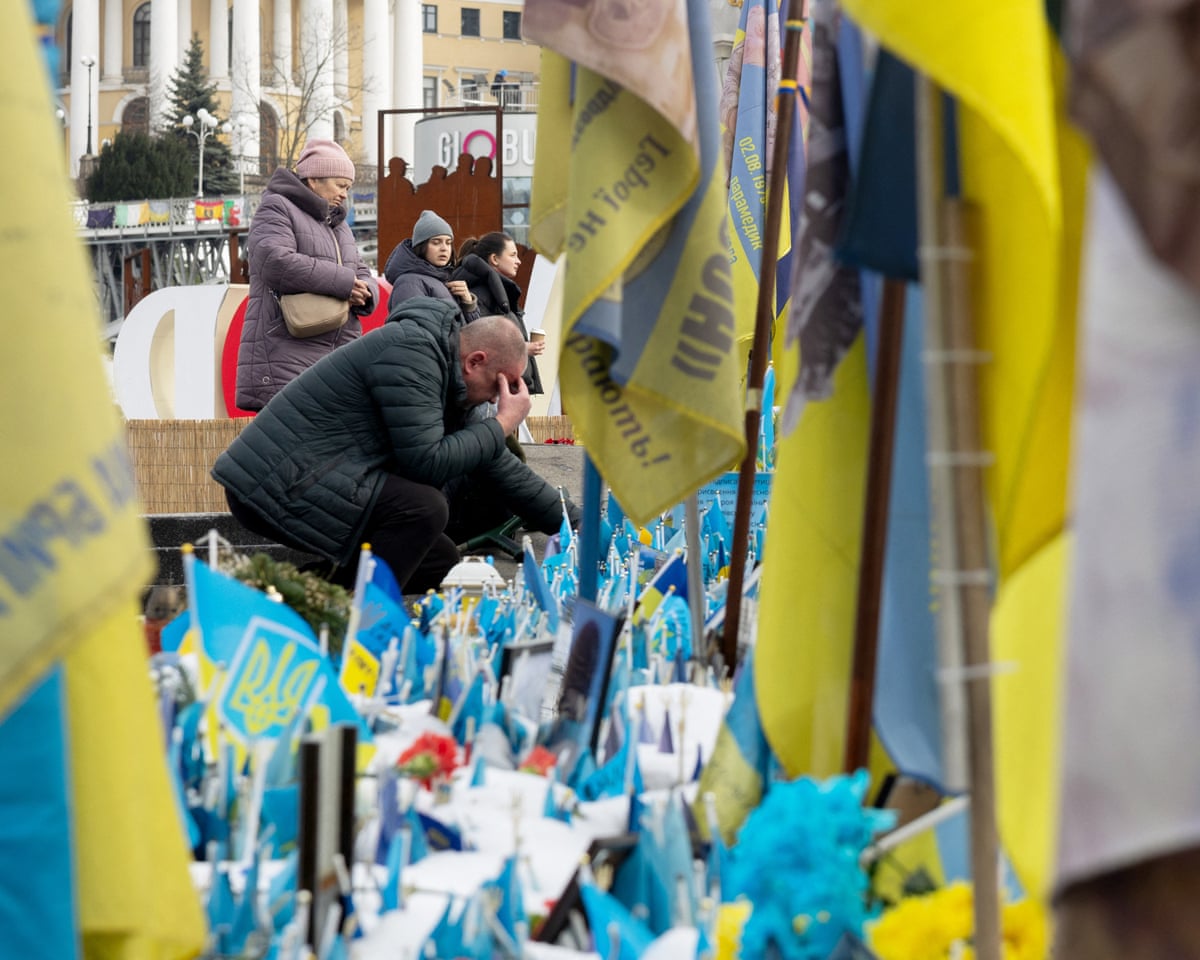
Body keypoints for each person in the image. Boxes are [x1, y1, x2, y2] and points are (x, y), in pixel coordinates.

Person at [213, 297, 578, 594]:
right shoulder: (412, 354)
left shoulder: (451, 378)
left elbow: (501, 466)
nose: (502, 399)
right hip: (276, 481)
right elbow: (425, 462)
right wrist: (502, 424)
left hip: (323, 475)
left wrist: (582, 526)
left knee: (437, 561)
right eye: (500, 385)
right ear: (475, 361)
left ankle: (293, 597)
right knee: (425, 508)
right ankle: (363, 627)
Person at [235, 139, 377, 412]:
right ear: (313, 180)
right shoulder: (277, 207)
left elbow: (360, 269)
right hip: (285, 353)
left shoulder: (339, 225)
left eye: (348, 187)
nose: (345, 194)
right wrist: (345, 283)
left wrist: (366, 291)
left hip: (336, 353)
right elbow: (274, 261)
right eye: (340, 185)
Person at [452, 231, 545, 395]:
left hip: (506, 389)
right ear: (494, 259)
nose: (519, 261)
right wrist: (522, 349)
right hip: (495, 392)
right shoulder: (482, 294)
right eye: (513, 255)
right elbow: (482, 344)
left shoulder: (502, 294)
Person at [383, 209, 479, 323]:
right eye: (436, 242)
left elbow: (471, 333)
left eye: (448, 242)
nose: (444, 248)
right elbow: (414, 333)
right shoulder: (409, 282)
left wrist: (468, 303)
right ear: (421, 246)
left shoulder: (441, 279)